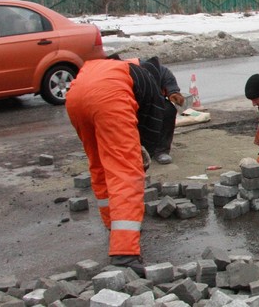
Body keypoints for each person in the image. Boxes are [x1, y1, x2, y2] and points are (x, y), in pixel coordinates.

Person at [65, 56, 172, 272]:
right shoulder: (149, 81)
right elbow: (153, 126)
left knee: (100, 166)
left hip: (75, 96)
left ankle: (114, 226)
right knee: (126, 174)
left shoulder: (119, 67)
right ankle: (125, 254)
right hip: (108, 97)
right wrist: (142, 155)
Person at [124, 57, 184, 165]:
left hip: (153, 101)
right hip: (128, 103)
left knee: (168, 110)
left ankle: (161, 151)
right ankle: (132, 151)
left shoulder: (161, 71)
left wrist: (173, 92)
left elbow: (171, 85)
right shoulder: (125, 71)